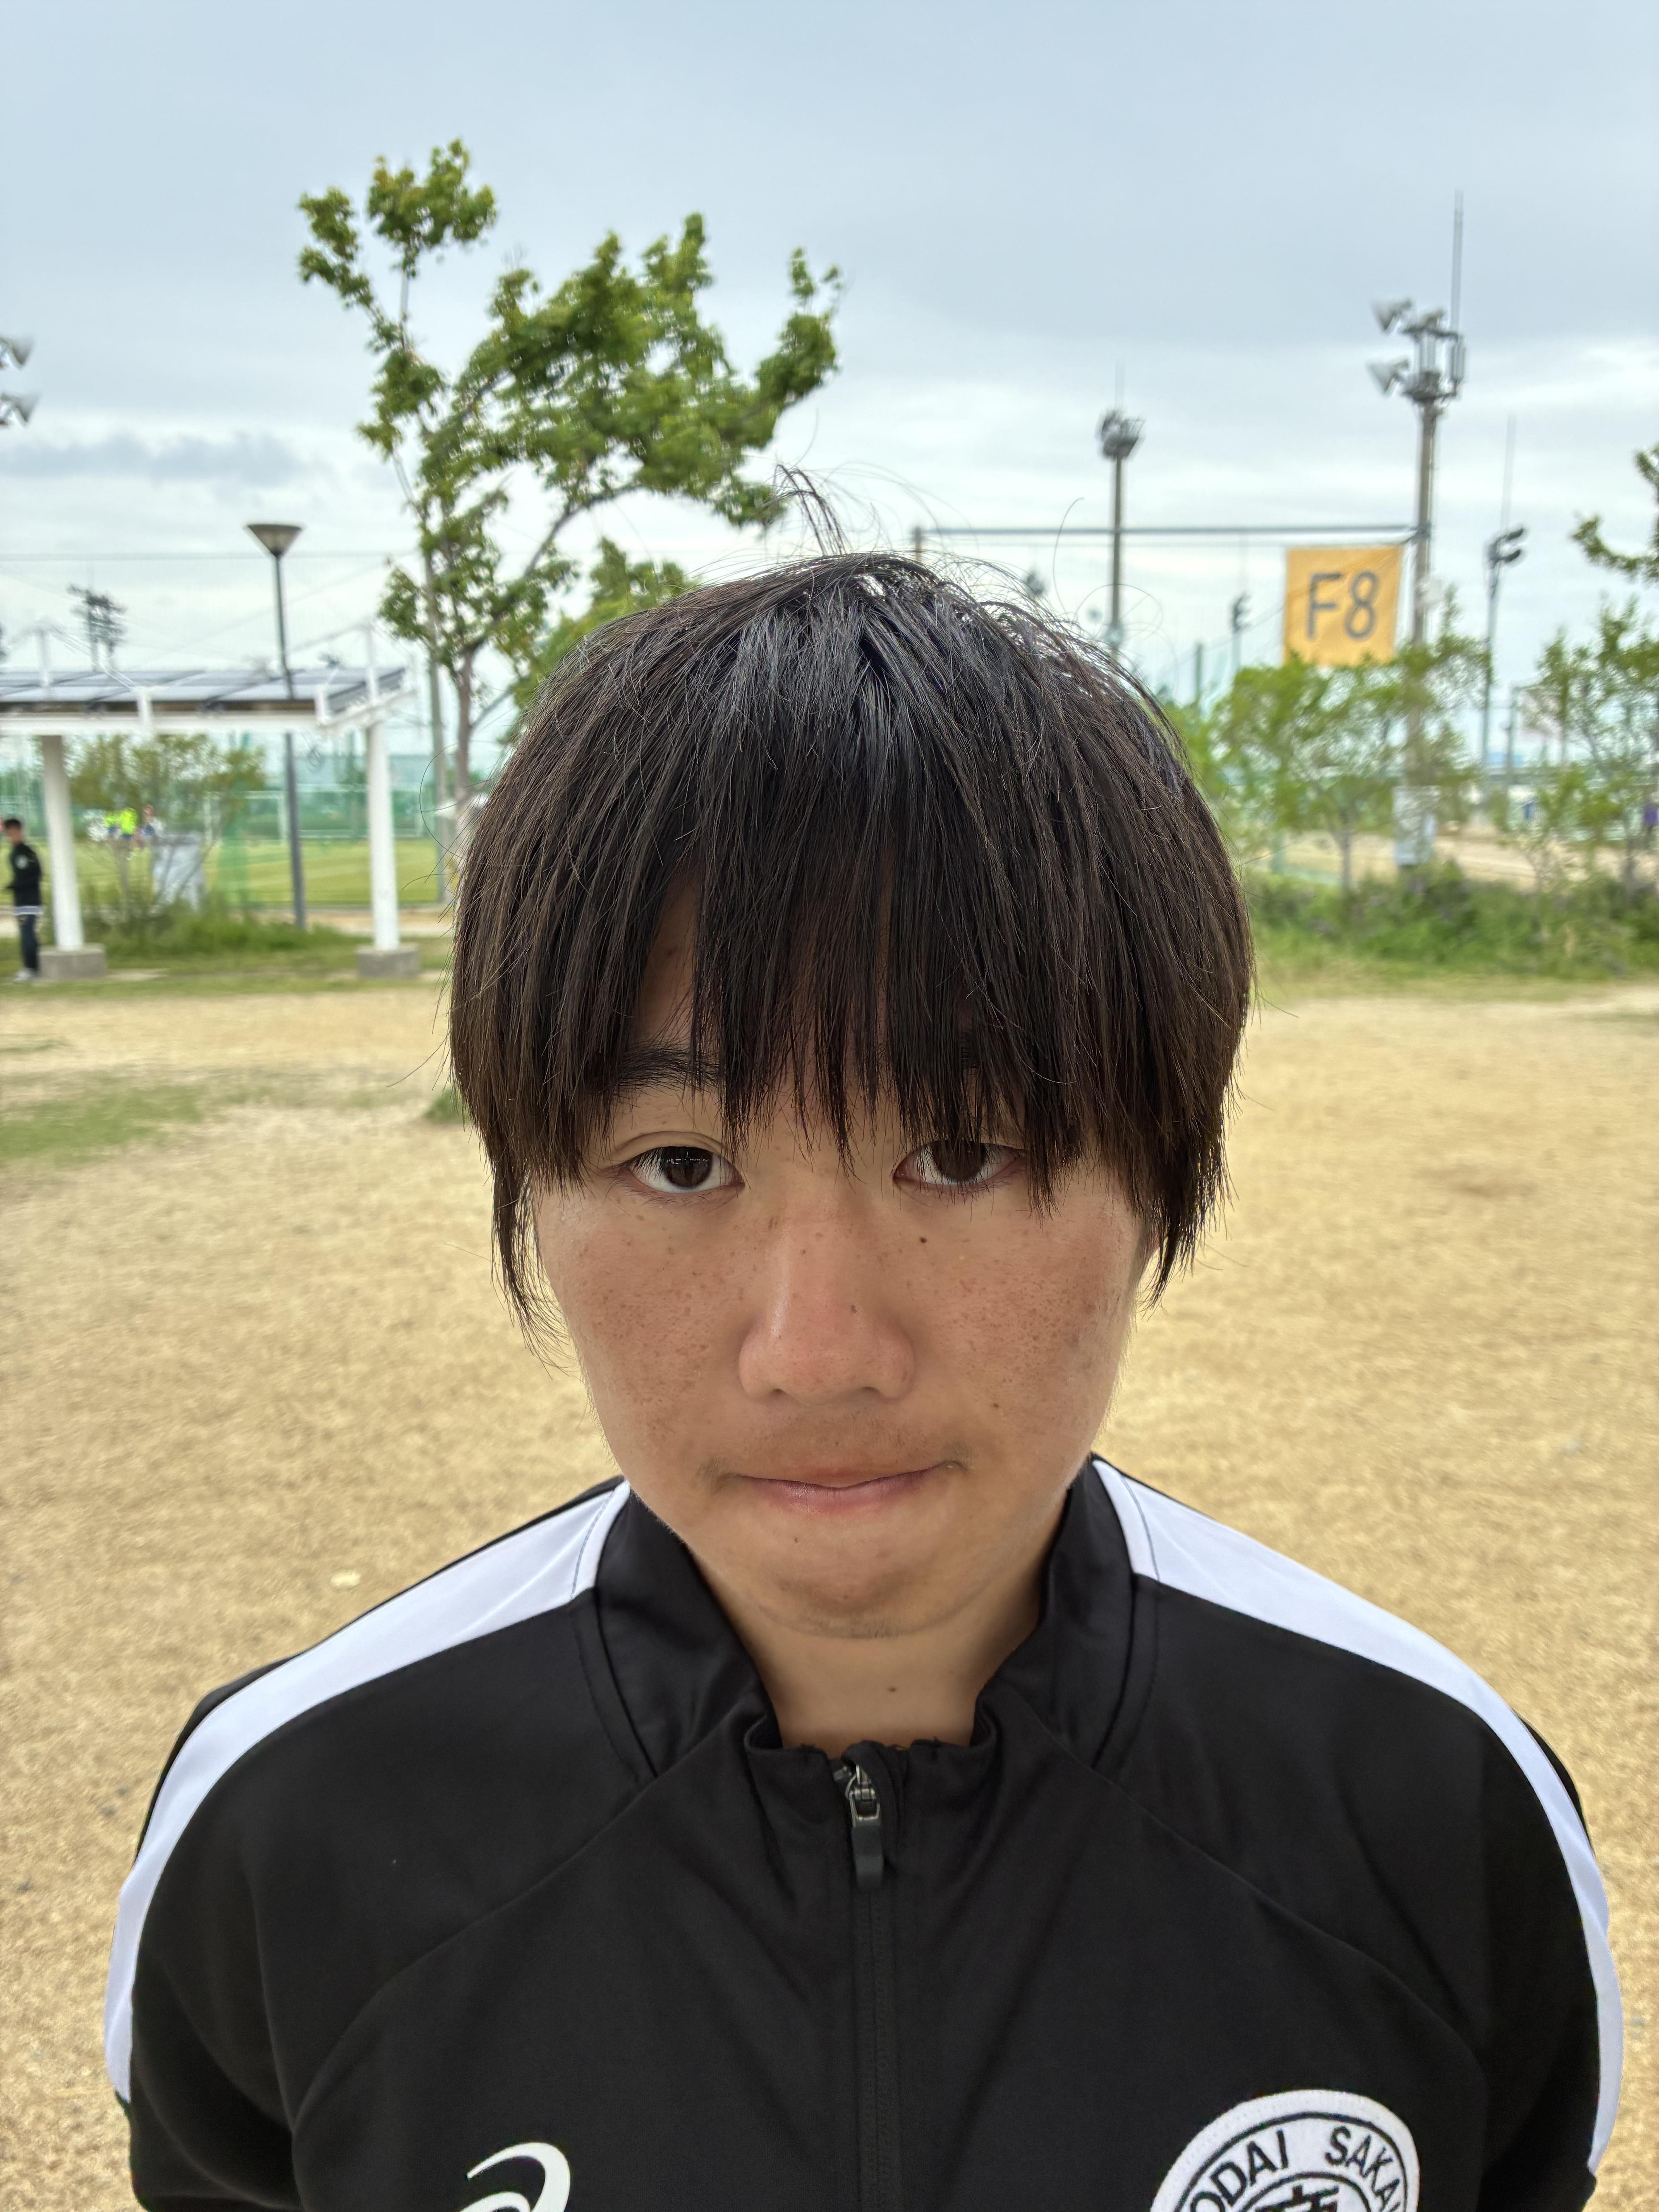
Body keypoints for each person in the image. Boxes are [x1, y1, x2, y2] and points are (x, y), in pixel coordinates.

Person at [106, 557, 1620, 2212]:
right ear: (532, 1187)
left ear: (1161, 1171)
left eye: (960, 1152)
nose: (815, 1353)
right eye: (680, 1162)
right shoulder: (291, 1828)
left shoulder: (1430, 1810)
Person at [5, 815, 43, 981]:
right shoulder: (14, 853)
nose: (12, 835)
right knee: (29, 935)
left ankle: (30, 968)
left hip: (29, 901)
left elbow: (35, 875)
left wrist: (15, 886)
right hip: (21, 901)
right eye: (10, 832)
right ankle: (37, 966)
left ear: (20, 832)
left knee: (27, 935)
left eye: (15, 831)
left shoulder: (26, 852)